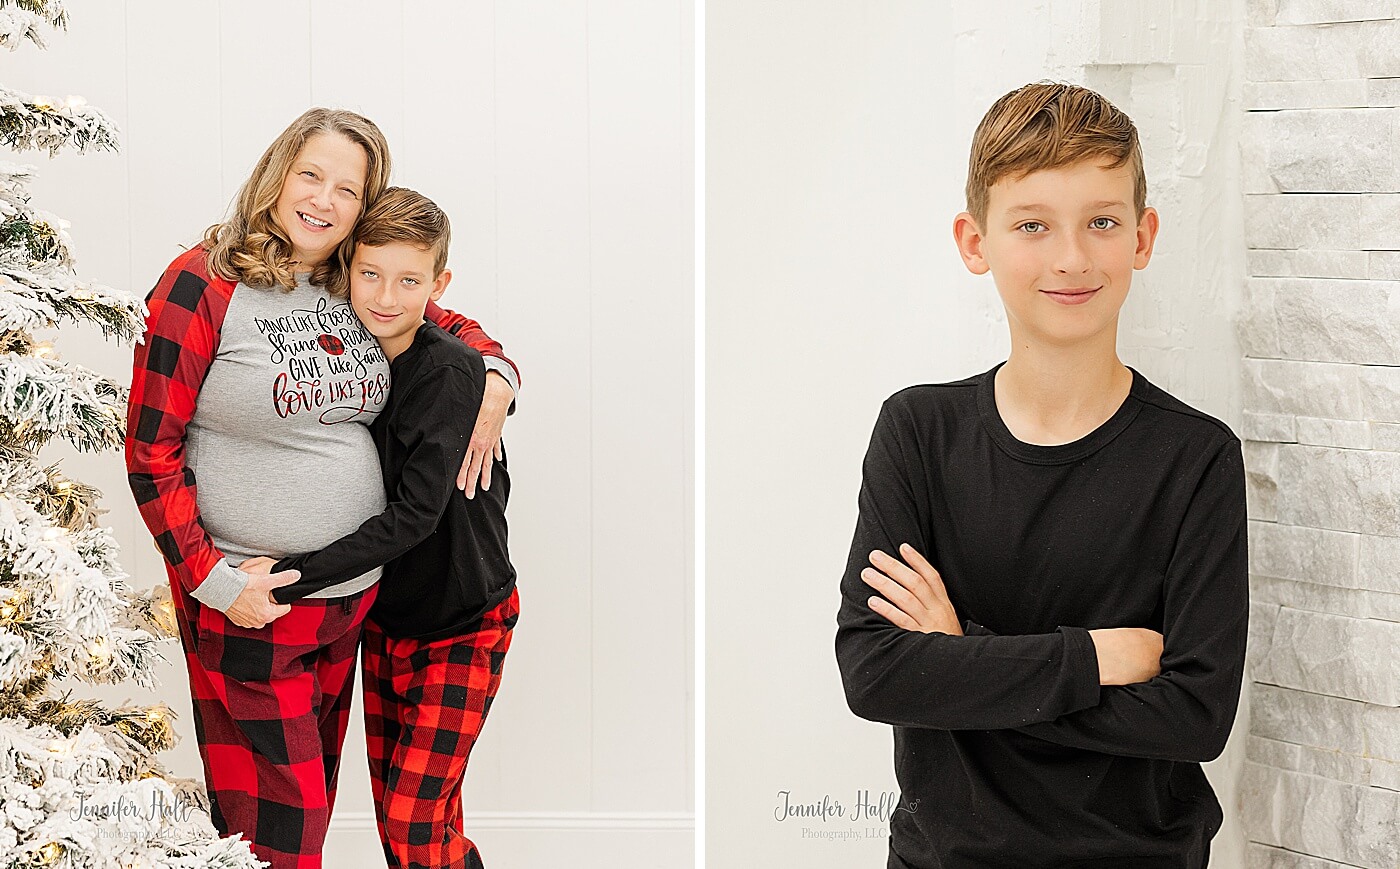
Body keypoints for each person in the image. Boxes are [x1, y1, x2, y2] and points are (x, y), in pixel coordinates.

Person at [835, 82, 1248, 869]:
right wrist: (1095, 658)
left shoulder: (1196, 459)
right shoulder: (918, 433)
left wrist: (961, 652)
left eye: (1102, 221)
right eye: (1033, 224)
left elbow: (1194, 716)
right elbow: (877, 671)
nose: (1071, 257)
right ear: (974, 240)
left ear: (1143, 235)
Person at [125, 108, 519, 869]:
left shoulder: (347, 278)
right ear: (277, 173)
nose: (324, 199)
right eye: (311, 174)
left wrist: (499, 378)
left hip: (351, 611)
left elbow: (451, 328)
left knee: (324, 816)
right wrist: (211, 580)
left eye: (349, 187)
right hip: (253, 601)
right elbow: (149, 449)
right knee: (281, 829)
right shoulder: (202, 281)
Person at [240, 187, 517, 869]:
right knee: (416, 823)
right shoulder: (345, 349)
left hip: (462, 618)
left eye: (409, 280)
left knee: (411, 820)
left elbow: (416, 516)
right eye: (370, 274)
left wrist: (289, 574)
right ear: (348, 269)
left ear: (438, 283)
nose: (386, 296)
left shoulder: (452, 369)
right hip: (385, 620)